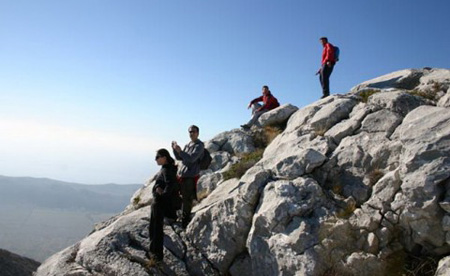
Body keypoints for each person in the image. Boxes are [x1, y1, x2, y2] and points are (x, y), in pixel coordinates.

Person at [172, 125, 204, 229]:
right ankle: (180, 216)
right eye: (190, 132)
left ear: (198, 133)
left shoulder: (199, 145)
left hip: (190, 176)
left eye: (193, 132)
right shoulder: (188, 145)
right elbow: (180, 158)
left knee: (187, 199)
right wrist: (175, 150)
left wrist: (181, 151)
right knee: (180, 197)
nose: (191, 133)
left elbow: (191, 159)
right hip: (182, 175)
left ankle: (185, 222)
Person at [148, 148, 177, 264]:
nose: (155, 160)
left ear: (164, 157)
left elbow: (170, 184)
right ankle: (155, 253)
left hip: (159, 203)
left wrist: (162, 195)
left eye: (157, 157)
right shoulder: (168, 167)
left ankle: (156, 255)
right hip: (160, 202)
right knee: (155, 228)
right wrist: (157, 188)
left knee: (155, 228)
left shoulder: (166, 170)